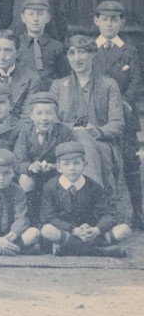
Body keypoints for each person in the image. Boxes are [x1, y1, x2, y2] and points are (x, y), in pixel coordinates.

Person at [49, 35, 125, 196]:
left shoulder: (109, 85)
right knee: (81, 140)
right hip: (66, 142)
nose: (77, 58)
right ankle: (96, 197)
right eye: (72, 53)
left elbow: (117, 123)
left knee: (86, 142)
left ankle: (89, 198)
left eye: (82, 52)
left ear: (92, 54)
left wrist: (99, 131)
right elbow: (52, 121)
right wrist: (74, 130)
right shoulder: (58, 86)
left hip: (100, 143)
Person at [92, 0, 144, 228]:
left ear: (122, 22)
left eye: (114, 19)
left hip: (125, 116)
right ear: (96, 21)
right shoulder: (90, 49)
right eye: (104, 19)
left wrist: (121, 105)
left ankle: (138, 211)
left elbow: (136, 83)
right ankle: (102, 213)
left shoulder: (130, 51)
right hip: (97, 115)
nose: (109, 24)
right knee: (101, 162)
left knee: (130, 163)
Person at [39, 141, 131, 257]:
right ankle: (99, 250)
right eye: (66, 164)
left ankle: (69, 249)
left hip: (90, 232)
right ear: (58, 167)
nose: (72, 168)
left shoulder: (94, 187)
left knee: (124, 230)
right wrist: (73, 230)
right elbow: (48, 217)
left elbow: (109, 214)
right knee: (47, 230)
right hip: (67, 232)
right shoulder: (50, 187)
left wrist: (96, 229)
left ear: (85, 164)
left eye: (77, 163)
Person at [13, 91, 75, 225]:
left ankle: (59, 222)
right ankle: (31, 221)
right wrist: (30, 166)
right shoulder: (25, 132)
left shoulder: (64, 132)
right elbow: (19, 159)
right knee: (25, 180)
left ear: (56, 115)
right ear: (31, 116)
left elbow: (70, 158)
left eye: (49, 113)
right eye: (39, 113)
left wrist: (54, 166)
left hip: (55, 174)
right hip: (33, 175)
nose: (44, 118)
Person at [16, 0, 68, 91]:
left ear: (48, 18)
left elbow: (65, 78)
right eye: (31, 14)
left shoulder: (57, 47)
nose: (35, 18)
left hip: (51, 98)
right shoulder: (16, 46)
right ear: (23, 17)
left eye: (40, 14)